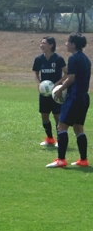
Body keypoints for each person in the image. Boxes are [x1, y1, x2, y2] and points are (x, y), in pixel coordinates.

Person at [46, 33, 90, 168]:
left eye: (68, 42)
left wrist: (60, 89)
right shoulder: (86, 59)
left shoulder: (73, 58)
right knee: (78, 128)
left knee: (61, 127)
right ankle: (83, 160)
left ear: (74, 44)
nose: (66, 44)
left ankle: (61, 160)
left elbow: (71, 78)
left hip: (75, 97)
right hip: (84, 97)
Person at [33, 36, 66, 147]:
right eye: (41, 43)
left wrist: (56, 85)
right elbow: (36, 74)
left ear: (51, 45)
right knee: (44, 116)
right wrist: (39, 84)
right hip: (44, 93)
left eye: (44, 43)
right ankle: (50, 138)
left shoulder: (58, 59)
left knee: (57, 116)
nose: (41, 45)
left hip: (56, 92)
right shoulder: (38, 59)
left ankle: (60, 140)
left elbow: (66, 74)